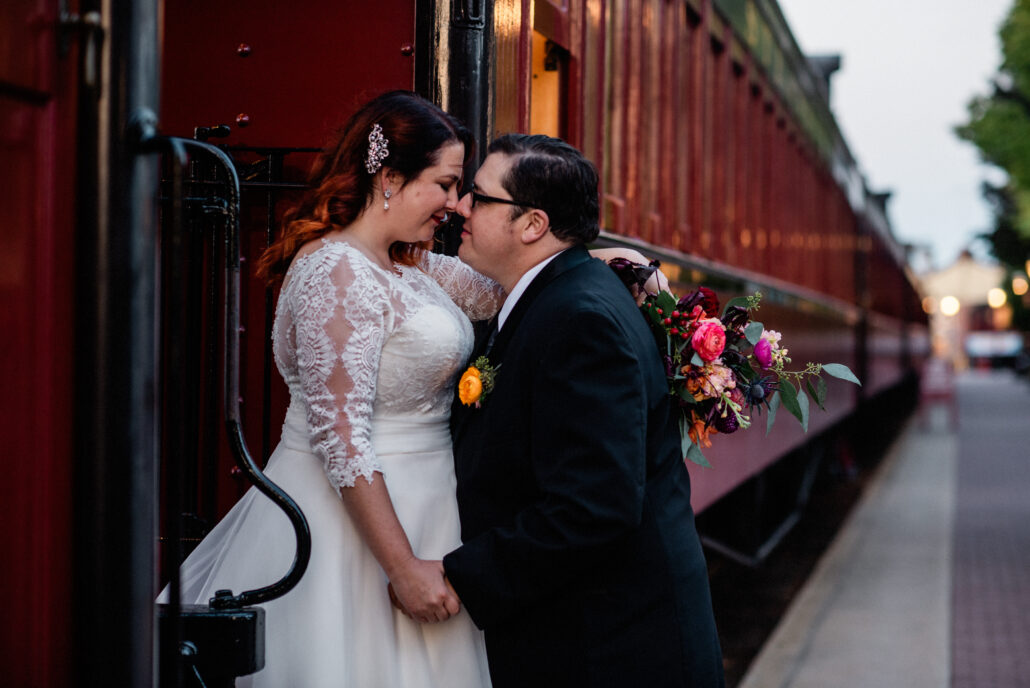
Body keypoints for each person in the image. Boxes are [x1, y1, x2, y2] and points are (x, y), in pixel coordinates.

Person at [163, 91, 499, 687]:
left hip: (428, 507)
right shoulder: (337, 272)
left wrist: (607, 264)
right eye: (445, 184)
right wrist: (401, 569)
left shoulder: (411, 264)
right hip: (357, 530)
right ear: (391, 178)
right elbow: (341, 438)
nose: (455, 202)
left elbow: (501, 292)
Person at [442, 134, 726, 687]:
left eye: (479, 197)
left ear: (532, 225)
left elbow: (594, 506)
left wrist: (462, 577)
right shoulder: (562, 292)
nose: (460, 207)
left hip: (610, 651)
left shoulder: (579, 319)